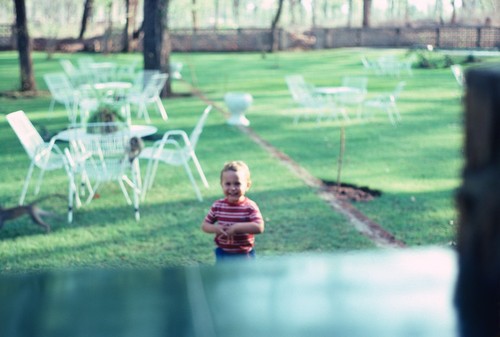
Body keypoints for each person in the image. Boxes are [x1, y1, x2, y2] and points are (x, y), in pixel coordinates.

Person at [201, 161, 264, 262]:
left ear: (247, 185)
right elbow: (205, 225)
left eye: (237, 183)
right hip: (223, 253)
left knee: (246, 278)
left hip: (244, 255)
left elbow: (259, 227)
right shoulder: (218, 206)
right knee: (224, 277)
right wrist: (215, 228)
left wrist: (236, 228)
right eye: (228, 184)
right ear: (222, 185)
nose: (232, 188)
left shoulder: (250, 207)